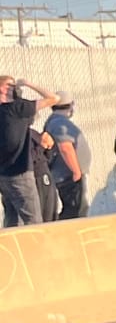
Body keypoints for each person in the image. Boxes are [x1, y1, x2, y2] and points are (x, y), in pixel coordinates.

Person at [0, 75, 54, 227]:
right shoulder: (17, 108)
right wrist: (29, 83)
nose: (16, 88)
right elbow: (53, 98)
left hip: (3, 176)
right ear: (3, 89)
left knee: (12, 219)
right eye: (12, 85)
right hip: (20, 173)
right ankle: (37, 250)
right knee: (34, 221)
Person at [42, 93, 88, 220]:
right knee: (75, 211)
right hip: (68, 176)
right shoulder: (59, 123)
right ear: (70, 106)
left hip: (68, 176)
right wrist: (76, 172)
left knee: (76, 209)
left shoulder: (57, 121)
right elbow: (65, 148)